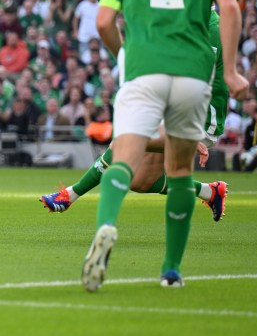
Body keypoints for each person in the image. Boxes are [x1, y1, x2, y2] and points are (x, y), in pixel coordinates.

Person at [81, 0, 248, 292]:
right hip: (192, 77)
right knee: (178, 172)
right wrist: (231, 69)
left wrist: (124, 58)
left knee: (124, 155)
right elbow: (229, 9)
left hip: (144, 71)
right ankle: (171, 270)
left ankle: (105, 227)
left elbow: (104, 21)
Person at [41, 12, 230, 222]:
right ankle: (211, 193)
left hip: (200, 119)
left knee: (125, 140)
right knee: (142, 182)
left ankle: (69, 196)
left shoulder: (210, 27)